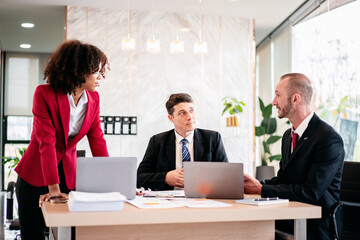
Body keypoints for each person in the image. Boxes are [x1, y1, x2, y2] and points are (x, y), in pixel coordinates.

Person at [14, 40, 110, 240]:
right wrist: (54, 189)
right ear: (78, 70)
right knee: (33, 234)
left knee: (69, 233)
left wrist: (111, 180)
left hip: (68, 175)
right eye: (96, 71)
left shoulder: (94, 99)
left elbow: (97, 139)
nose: (100, 76)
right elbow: (46, 142)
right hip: (36, 173)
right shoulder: (44, 94)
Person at [244, 73, 344, 240]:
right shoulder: (288, 136)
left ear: (295, 99)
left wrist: (260, 189)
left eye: (278, 94)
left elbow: (310, 192)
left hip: (316, 228)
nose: (274, 102)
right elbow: (283, 180)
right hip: (289, 220)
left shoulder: (328, 139)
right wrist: (252, 185)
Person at [137, 93, 228, 190]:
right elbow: (139, 178)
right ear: (171, 118)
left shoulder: (212, 138)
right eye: (182, 113)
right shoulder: (157, 141)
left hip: (202, 197)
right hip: (168, 200)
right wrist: (165, 178)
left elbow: (226, 175)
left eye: (191, 111)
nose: (190, 117)